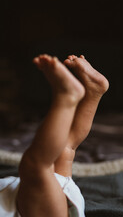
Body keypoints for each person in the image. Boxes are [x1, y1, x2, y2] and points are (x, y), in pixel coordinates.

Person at [0, 54, 109, 217]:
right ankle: (67, 96)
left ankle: (93, 91)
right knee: (35, 165)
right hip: (35, 208)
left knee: (66, 148)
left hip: (29, 196)